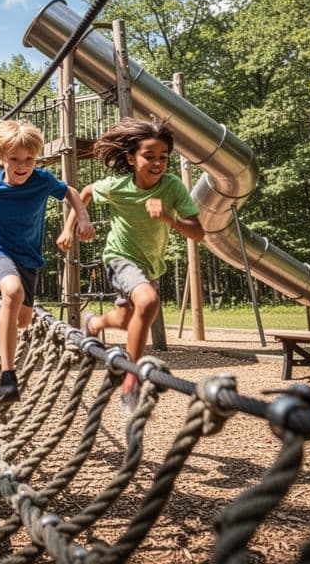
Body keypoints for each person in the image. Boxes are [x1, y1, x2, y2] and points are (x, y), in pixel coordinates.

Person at [61, 117, 204, 413]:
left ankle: (95, 323)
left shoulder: (173, 187)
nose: (157, 163)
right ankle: (132, 382)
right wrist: (71, 227)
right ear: (131, 158)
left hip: (149, 265)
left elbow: (197, 233)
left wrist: (168, 217)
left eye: (163, 157)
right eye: (149, 156)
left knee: (128, 320)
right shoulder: (118, 186)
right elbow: (85, 192)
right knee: (149, 301)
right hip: (119, 257)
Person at [0, 120, 94, 405]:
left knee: (24, 321)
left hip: (29, 256)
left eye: (29, 159)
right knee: (13, 291)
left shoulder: (42, 179)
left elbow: (71, 192)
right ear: (0, 157)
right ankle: (6, 377)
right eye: (14, 159)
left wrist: (82, 218)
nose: (22, 165)